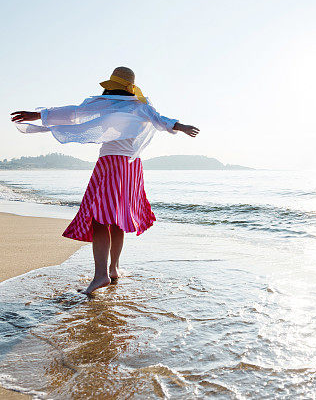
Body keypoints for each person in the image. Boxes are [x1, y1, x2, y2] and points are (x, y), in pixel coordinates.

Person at [10, 67, 199, 295]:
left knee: (100, 219)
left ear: (114, 86)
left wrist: (38, 115)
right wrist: (180, 126)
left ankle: (101, 275)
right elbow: (162, 120)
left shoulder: (109, 105)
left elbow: (73, 113)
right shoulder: (141, 107)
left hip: (111, 164)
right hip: (131, 167)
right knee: (116, 217)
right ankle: (113, 269)